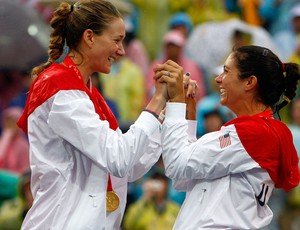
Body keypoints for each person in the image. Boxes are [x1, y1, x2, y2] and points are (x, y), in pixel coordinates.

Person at [16, 0, 168, 229]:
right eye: (116, 40)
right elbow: (118, 158)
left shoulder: (88, 95)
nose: (122, 50)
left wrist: (162, 116)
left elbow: (130, 167)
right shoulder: (60, 89)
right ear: (89, 37)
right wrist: (156, 101)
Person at [154, 45, 300, 229]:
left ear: (249, 82)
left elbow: (176, 165)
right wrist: (189, 112)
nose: (218, 79)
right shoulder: (254, 131)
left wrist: (176, 102)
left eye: (226, 71)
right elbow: (184, 177)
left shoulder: (254, 133)